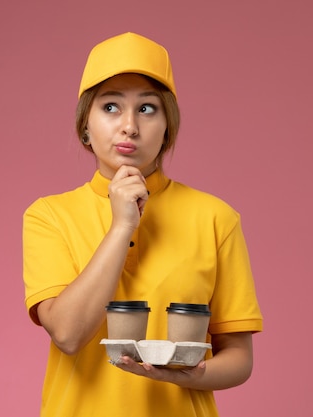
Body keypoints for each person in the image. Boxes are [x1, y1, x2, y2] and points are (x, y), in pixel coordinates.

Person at [22, 32, 263, 417]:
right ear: (86, 125)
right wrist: (122, 227)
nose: (129, 126)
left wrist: (182, 376)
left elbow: (238, 357)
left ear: (168, 126)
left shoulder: (216, 217)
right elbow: (67, 335)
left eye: (148, 109)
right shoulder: (49, 216)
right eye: (111, 107)